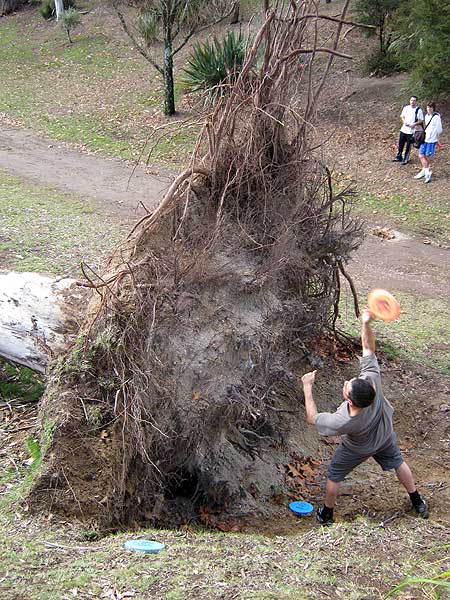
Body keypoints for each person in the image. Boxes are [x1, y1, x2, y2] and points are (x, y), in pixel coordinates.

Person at [300, 309, 428, 525]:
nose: (345, 384)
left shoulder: (343, 420)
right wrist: (366, 323)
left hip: (358, 447)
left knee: (334, 475)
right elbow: (368, 348)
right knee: (398, 462)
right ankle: (417, 500)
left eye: (346, 387)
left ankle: (327, 514)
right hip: (385, 435)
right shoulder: (372, 381)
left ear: (349, 401)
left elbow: (312, 418)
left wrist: (307, 387)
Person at [414, 102, 443, 184]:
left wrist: (436, 139)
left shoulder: (436, 117)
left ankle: (426, 172)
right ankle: (426, 171)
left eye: (430, 107)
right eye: (428, 107)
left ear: (433, 108)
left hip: (431, 140)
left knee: (426, 156)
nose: (429, 109)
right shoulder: (426, 116)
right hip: (425, 138)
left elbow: (439, 129)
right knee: (421, 155)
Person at [393, 96, 424, 165]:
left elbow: (421, 120)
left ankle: (405, 159)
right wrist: (404, 122)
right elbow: (402, 116)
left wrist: (414, 124)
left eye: (414, 100)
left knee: (408, 146)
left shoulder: (418, 110)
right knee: (401, 143)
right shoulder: (406, 108)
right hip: (403, 129)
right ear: (409, 101)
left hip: (411, 131)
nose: (412, 102)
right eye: (411, 100)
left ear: (416, 102)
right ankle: (399, 156)